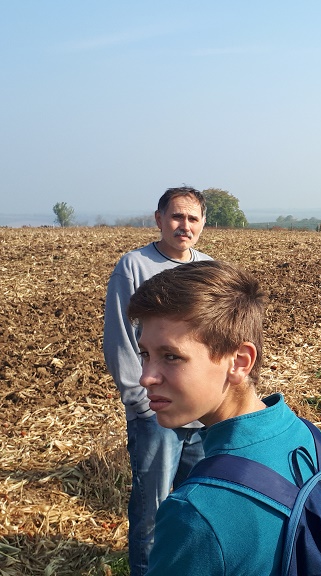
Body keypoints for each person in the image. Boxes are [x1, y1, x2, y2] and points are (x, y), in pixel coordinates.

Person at [129, 261, 321, 575]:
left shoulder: (194, 514)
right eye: (145, 354)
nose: (146, 377)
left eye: (171, 356)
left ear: (238, 362)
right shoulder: (307, 436)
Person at [102, 186, 213, 576]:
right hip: (156, 413)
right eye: (177, 216)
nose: (185, 225)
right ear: (159, 219)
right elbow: (119, 338)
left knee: (197, 506)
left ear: (203, 223)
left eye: (193, 218)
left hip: (201, 414)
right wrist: (140, 400)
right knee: (152, 512)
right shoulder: (134, 267)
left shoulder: (208, 270)